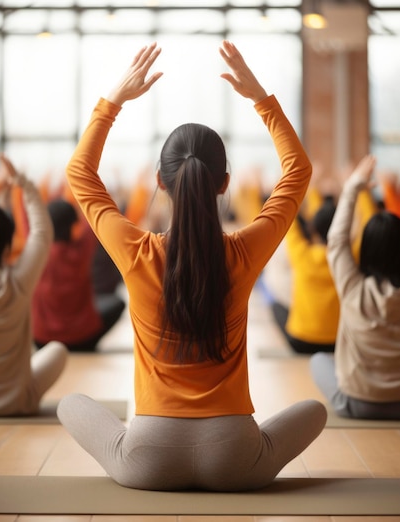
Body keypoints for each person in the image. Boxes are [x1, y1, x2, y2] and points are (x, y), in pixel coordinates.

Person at [57, 41, 327, 491]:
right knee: (316, 410)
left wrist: (112, 104)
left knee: (70, 402)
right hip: (237, 459)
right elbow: (297, 170)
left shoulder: (136, 251)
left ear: (160, 182)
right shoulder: (243, 252)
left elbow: (79, 174)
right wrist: (261, 98)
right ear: (224, 184)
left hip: (146, 461)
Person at [310, 155, 400, 419]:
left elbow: (336, 240)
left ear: (366, 250)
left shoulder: (353, 288)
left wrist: (352, 186)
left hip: (356, 404)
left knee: (318, 360)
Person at [0, 154, 68, 417]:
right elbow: (42, 231)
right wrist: (22, 183)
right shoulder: (19, 280)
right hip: (18, 401)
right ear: (9, 246)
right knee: (57, 350)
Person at [32, 198, 125, 352]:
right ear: (74, 223)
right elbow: (95, 216)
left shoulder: (37, 252)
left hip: (42, 340)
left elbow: (25, 219)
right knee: (117, 303)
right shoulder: (82, 250)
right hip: (82, 339)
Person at [271, 194, 340, 354]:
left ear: (312, 228)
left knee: (275, 305)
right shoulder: (346, 258)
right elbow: (367, 218)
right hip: (335, 341)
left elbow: (289, 220)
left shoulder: (301, 253)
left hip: (301, 341)